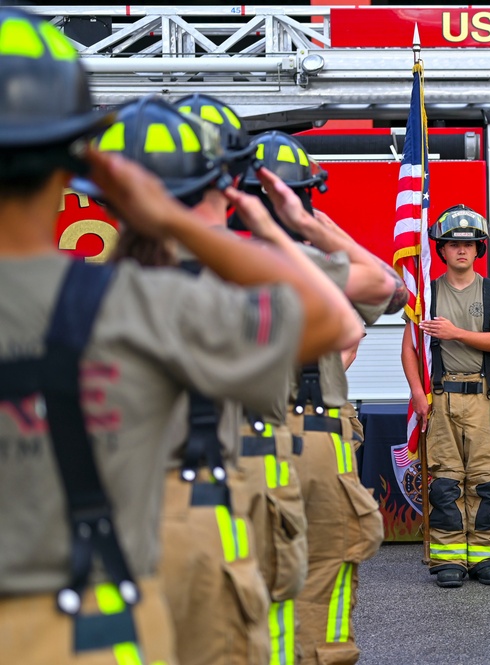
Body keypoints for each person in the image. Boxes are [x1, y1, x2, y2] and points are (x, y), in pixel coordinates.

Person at [0, 8, 361, 664]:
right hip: (86, 634)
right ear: (75, 160)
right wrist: (176, 217)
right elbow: (331, 316)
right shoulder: (135, 307)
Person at [240, 130, 401, 665]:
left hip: (236, 442)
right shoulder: (312, 265)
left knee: (246, 582)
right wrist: (316, 228)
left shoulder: (198, 259)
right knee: (324, 579)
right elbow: (389, 288)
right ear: (303, 196)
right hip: (317, 442)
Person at [171, 93, 309, 665]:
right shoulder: (254, 276)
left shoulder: (96, 290)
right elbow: (356, 304)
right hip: (224, 484)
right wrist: (287, 228)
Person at [403, 204, 490, 588]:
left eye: (469, 244)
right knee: (445, 482)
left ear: (479, 248)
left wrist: (455, 333)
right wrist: (418, 393)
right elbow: (410, 348)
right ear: (441, 250)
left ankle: (486, 555)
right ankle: (448, 558)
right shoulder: (426, 293)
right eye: (452, 244)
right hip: (440, 397)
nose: (461, 250)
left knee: (486, 481)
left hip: (483, 397)